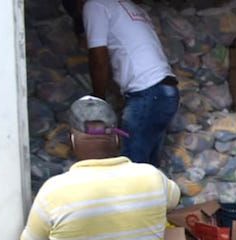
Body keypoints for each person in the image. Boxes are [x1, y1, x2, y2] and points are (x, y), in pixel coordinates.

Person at [20, 95, 180, 240]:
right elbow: (172, 202)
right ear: (117, 138)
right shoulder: (153, 179)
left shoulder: (53, 192)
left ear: (71, 141)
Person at [64, 0, 179, 167]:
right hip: (167, 92)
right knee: (148, 168)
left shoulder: (95, 5)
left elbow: (98, 60)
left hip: (147, 94)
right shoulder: (128, 6)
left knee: (129, 167)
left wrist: (98, 105)